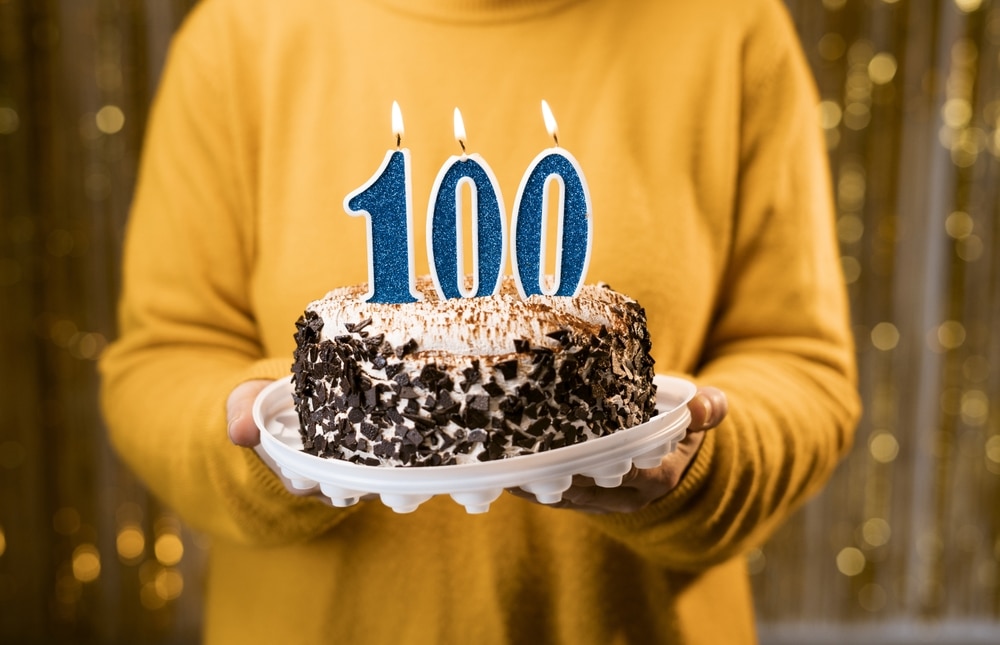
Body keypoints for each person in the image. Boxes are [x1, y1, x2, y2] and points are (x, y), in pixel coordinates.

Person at [99, 0, 860, 642]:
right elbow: (162, 357)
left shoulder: (728, 27)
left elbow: (801, 362)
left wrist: (699, 465)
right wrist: (278, 436)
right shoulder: (242, 32)